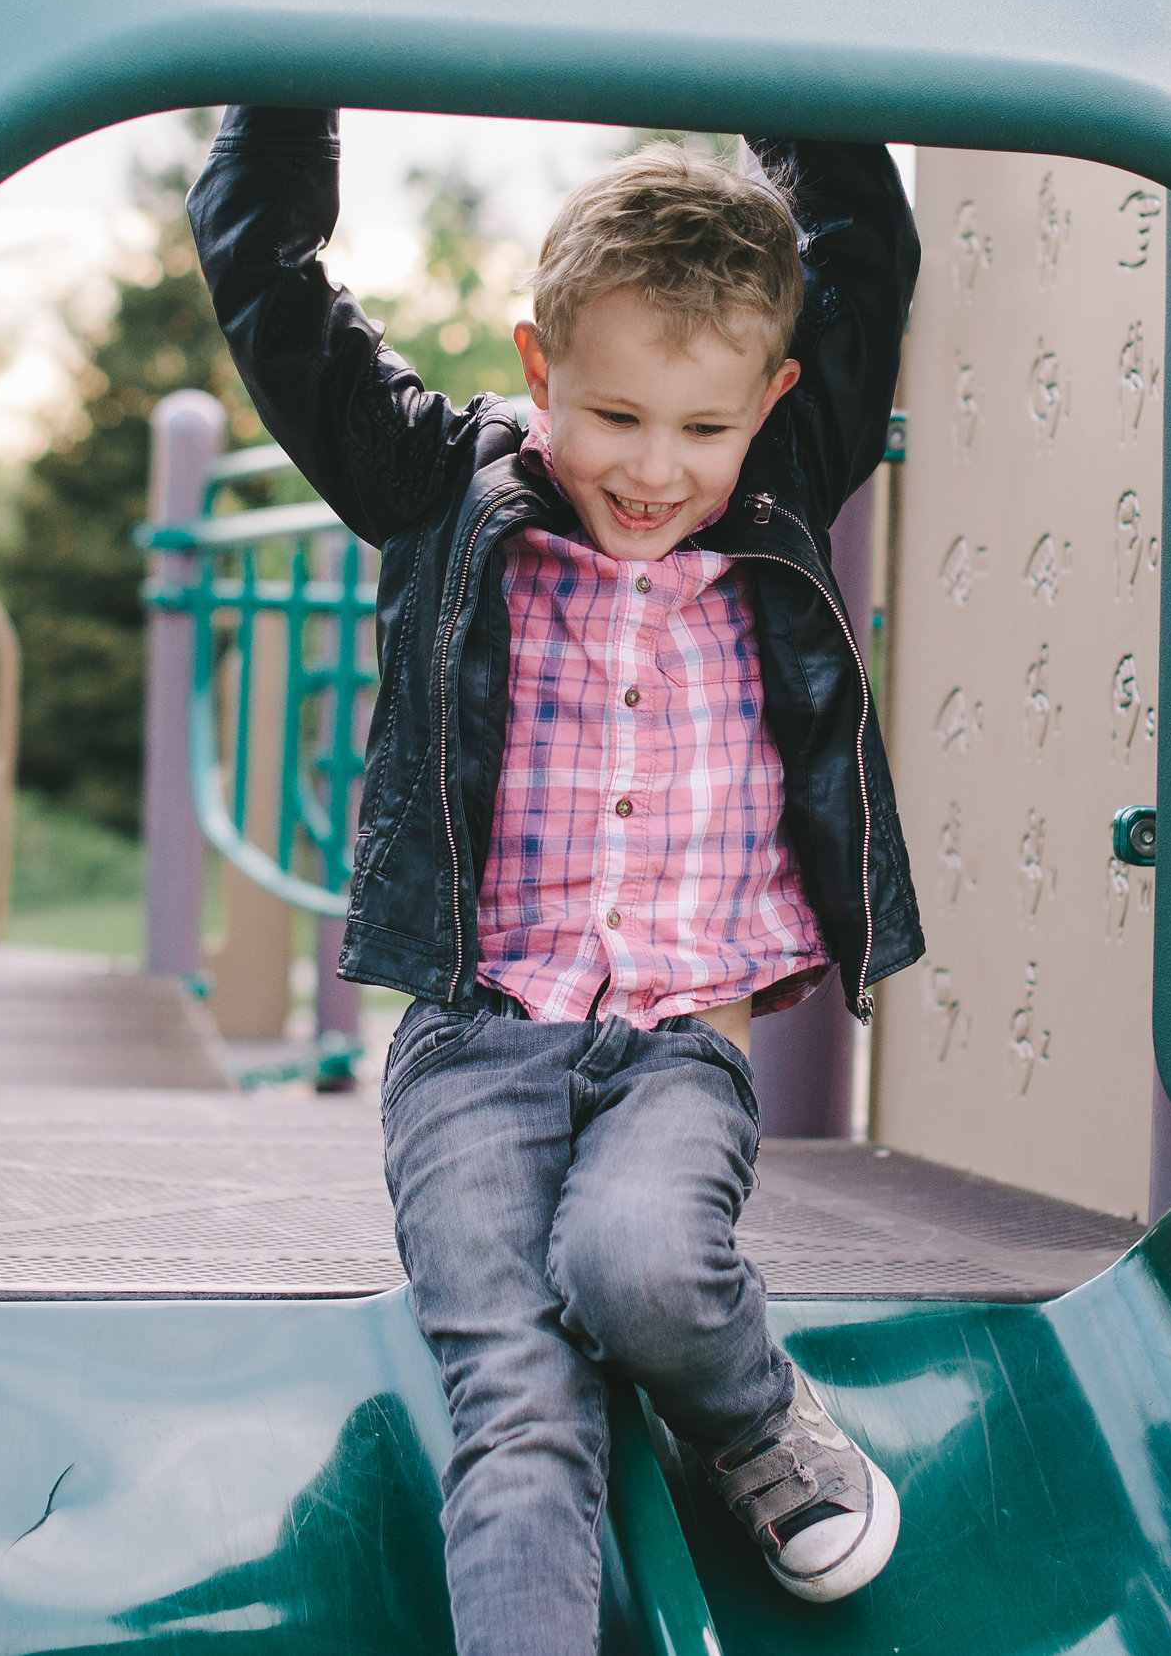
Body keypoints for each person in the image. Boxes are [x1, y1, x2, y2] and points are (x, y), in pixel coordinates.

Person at [190, 112, 922, 1653]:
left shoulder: (784, 478)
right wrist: (292, 89)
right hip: (471, 1046)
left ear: (774, 401)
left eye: (704, 428)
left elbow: (868, 246)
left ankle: (753, 1413)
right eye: (613, 413)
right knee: (516, 1403)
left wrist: (785, 70)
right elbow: (263, 270)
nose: (658, 467)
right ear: (537, 367)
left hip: (675, 1048)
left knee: (638, 1259)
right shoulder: (441, 482)